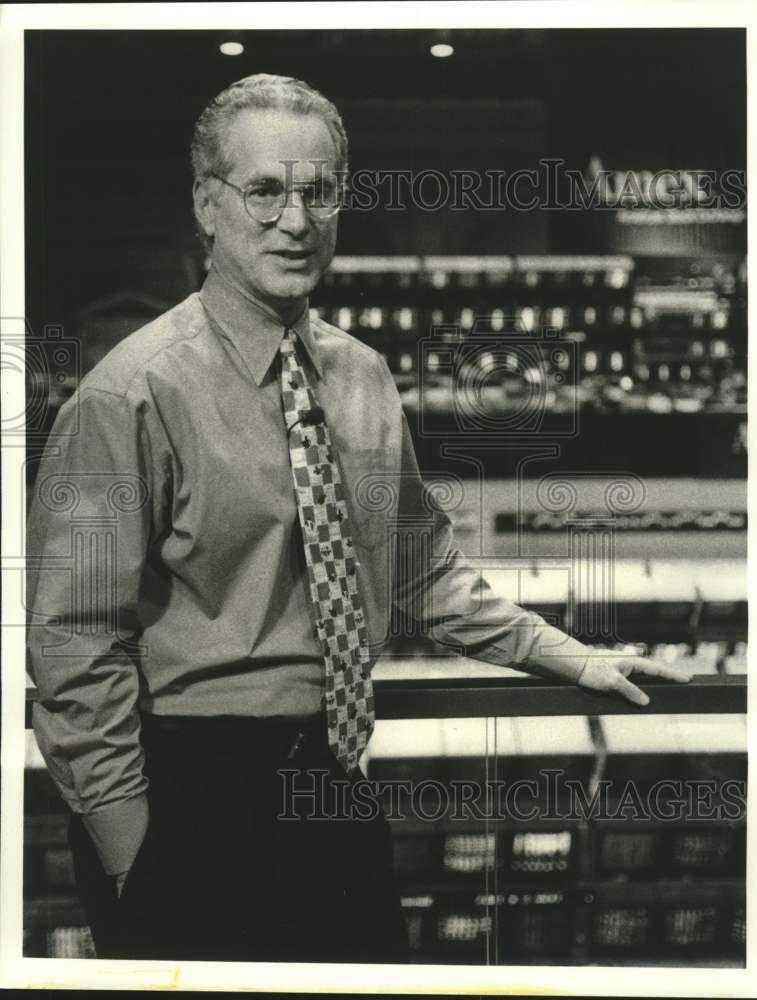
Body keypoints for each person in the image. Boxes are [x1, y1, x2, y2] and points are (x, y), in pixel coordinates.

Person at [26, 72, 690, 963]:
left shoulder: (363, 376)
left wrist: (572, 656)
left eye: (319, 191)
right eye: (263, 191)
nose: (295, 221)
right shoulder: (129, 394)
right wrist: (127, 841)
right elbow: (73, 639)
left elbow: (418, 566)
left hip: (337, 781)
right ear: (207, 206)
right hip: (186, 792)